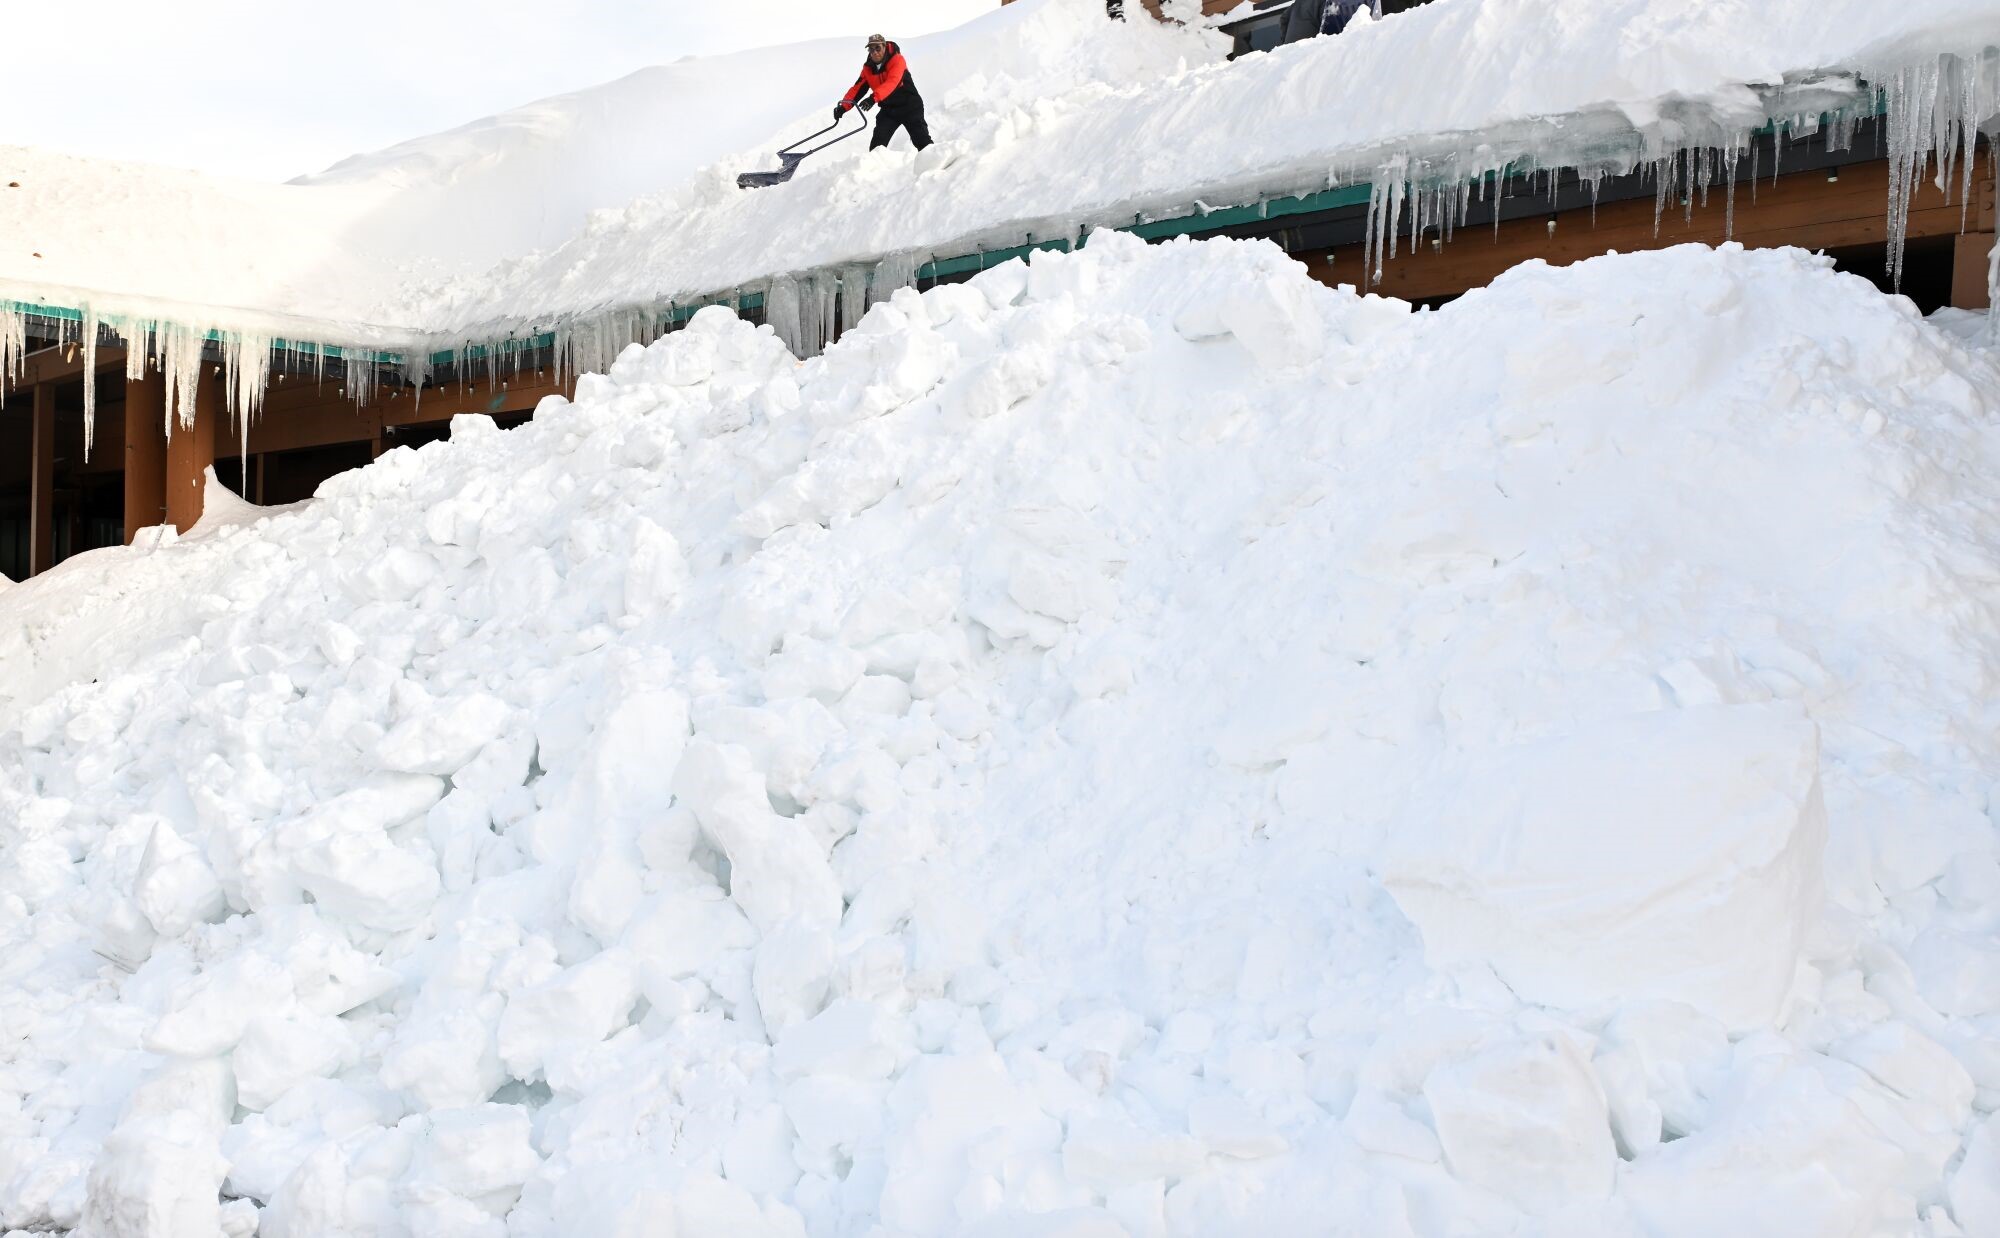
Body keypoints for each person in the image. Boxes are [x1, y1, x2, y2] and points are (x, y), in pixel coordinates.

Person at [835, 34, 932, 153]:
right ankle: (874, 170)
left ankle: (939, 164)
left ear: (884, 47)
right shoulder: (868, 68)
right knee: (877, 148)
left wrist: (872, 98)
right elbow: (857, 89)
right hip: (889, 111)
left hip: (909, 106)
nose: (875, 52)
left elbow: (892, 82)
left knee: (922, 142)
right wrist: (843, 107)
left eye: (878, 48)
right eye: (871, 49)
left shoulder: (897, 60)